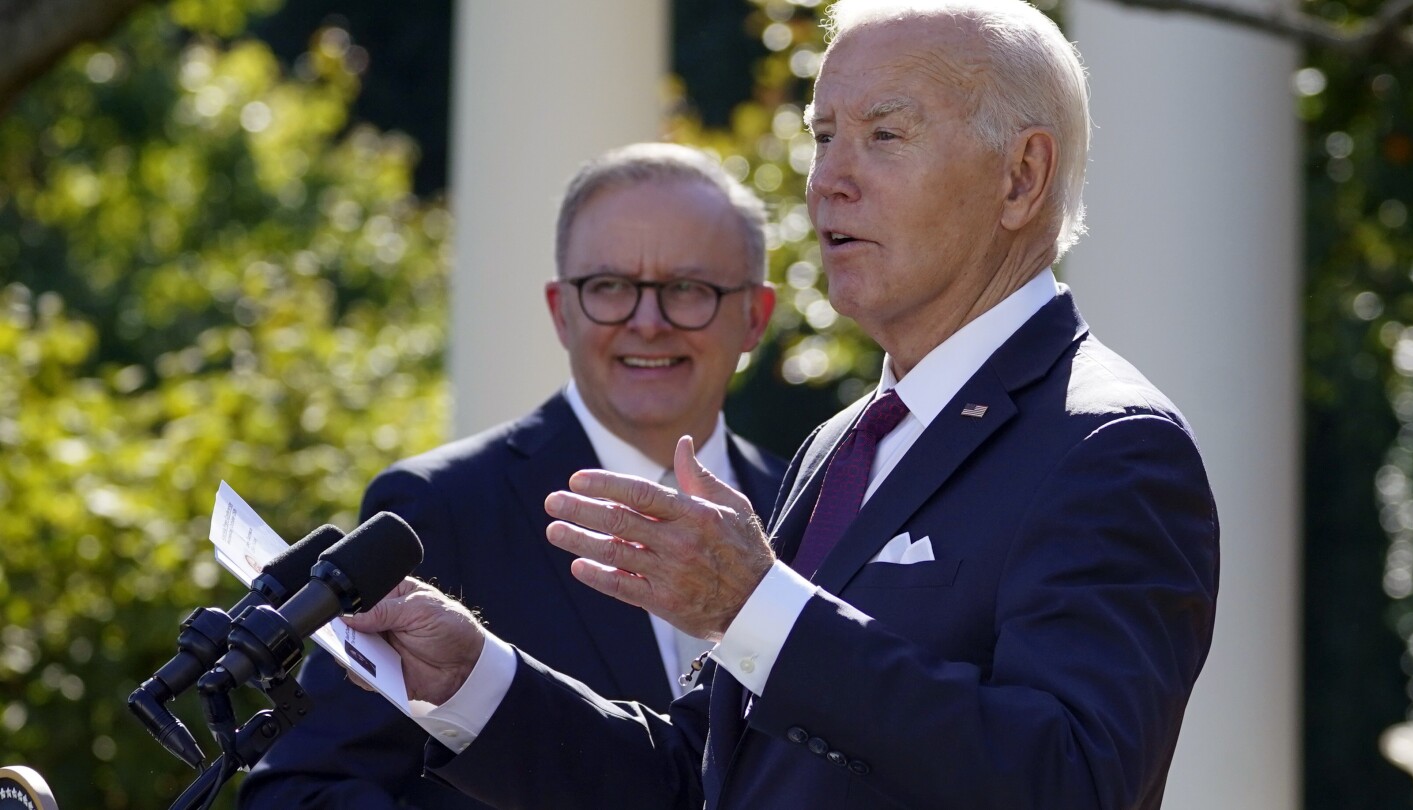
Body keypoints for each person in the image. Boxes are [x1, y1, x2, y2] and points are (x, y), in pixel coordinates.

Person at [342, 1, 1222, 807]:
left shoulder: (1109, 447)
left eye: (884, 135)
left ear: (1022, 177)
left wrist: (758, 608)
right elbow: (703, 779)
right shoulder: (841, 445)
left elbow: (1072, 781)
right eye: (825, 135)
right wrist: (471, 678)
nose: (829, 180)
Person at [237, 143, 786, 809]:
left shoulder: (808, 507)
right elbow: (301, 792)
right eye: (610, 287)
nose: (648, 322)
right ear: (561, 310)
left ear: (756, 315)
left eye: (688, 289)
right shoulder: (441, 510)